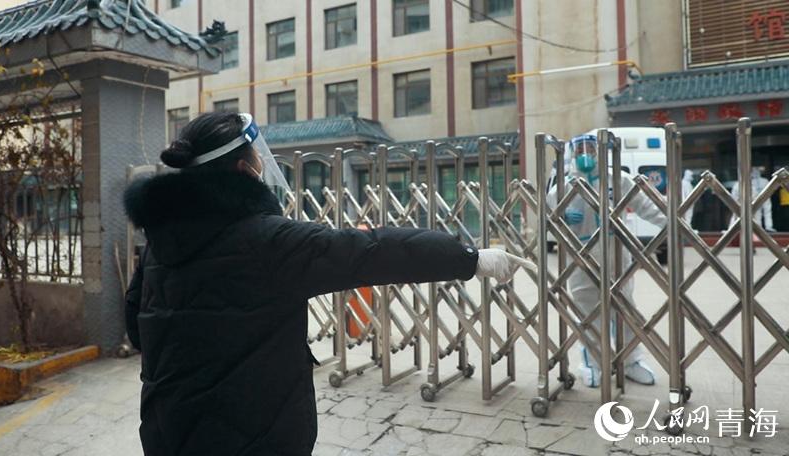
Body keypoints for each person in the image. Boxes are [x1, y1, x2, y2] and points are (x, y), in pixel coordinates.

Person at [123, 112, 531, 456]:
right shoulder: (269, 241)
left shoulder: (159, 243)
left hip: (166, 431)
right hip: (254, 437)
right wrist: (470, 259)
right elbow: (373, 251)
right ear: (244, 171)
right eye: (259, 159)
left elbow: (136, 327)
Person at [546, 134, 666, 388]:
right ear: (572, 154)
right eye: (580, 149)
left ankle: (631, 361)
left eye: (591, 148)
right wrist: (562, 219)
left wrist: (672, 224)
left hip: (617, 255)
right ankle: (593, 363)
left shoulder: (617, 179)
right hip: (582, 257)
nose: (586, 154)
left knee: (625, 309)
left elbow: (647, 206)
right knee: (589, 311)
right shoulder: (562, 188)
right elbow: (546, 223)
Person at [729, 167, 774, 232]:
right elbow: (734, 196)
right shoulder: (741, 184)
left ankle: (766, 227)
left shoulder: (763, 181)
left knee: (762, 213)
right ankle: (761, 229)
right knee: (756, 214)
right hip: (752, 200)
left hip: (761, 198)